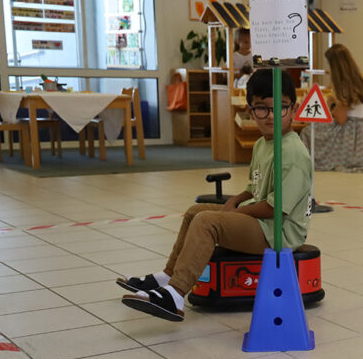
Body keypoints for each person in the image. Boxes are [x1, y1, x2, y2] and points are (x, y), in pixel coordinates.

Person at [118, 69, 313, 321]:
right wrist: (235, 200)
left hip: (278, 233)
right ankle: (169, 276)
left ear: (293, 108)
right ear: (251, 110)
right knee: (194, 213)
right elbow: (255, 188)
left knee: (207, 221)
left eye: (280, 107)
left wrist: (235, 213)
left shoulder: (293, 153)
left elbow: (275, 208)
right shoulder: (263, 144)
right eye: (262, 108)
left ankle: (176, 295)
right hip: (262, 221)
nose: (271, 116)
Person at [312, 43, 363, 171]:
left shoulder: (343, 87)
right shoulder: (362, 82)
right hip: (362, 137)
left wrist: (331, 102)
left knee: (309, 131)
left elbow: (341, 119)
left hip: (348, 134)